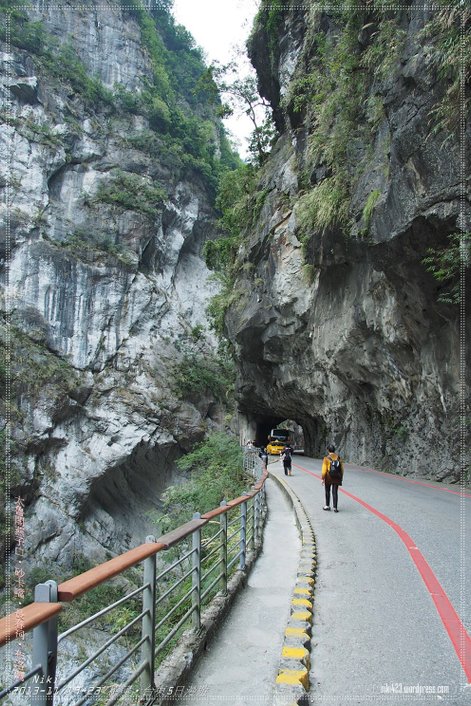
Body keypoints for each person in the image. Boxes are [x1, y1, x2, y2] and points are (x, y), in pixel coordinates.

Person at [321, 444, 344, 512]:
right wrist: (341, 477)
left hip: (328, 477)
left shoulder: (326, 458)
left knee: (327, 491)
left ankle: (327, 506)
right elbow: (342, 469)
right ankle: (335, 507)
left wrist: (322, 478)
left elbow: (324, 470)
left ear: (328, 450)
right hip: (337, 477)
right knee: (335, 491)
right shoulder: (339, 458)